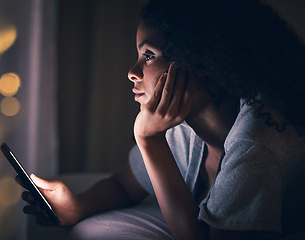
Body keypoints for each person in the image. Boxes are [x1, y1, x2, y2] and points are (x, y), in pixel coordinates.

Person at [18, 0, 305, 239]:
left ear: (203, 63)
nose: (133, 71)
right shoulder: (186, 127)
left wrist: (149, 141)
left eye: (149, 55)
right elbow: (124, 184)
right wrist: (76, 206)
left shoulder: (254, 146)